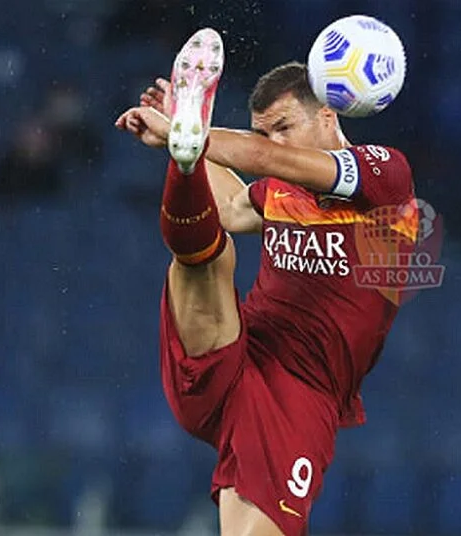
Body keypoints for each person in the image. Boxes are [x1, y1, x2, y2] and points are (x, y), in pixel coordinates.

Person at [116, 27, 416, 536]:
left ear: (328, 114)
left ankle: (188, 149)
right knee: (209, 256)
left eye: (282, 127)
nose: (270, 142)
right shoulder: (278, 192)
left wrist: (189, 132)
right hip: (230, 355)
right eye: (262, 132)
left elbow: (271, 160)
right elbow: (234, 206)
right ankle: (184, 167)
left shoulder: (385, 177)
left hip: (303, 395)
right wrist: (181, 136)